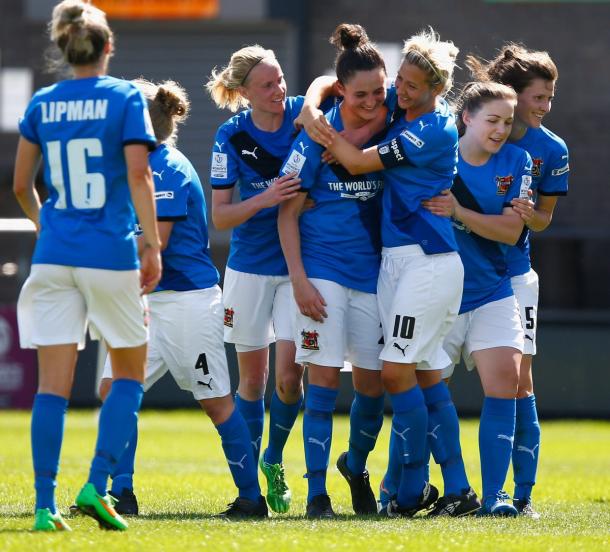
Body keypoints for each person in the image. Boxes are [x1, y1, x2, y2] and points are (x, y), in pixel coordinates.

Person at [310, 28, 475, 518]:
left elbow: (358, 163)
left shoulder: (434, 128)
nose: (398, 92)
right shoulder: (402, 113)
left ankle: (409, 492)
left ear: (436, 90)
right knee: (424, 376)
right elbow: (329, 82)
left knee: (396, 371)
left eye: (411, 86)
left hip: (427, 263)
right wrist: (316, 103)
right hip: (397, 262)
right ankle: (459, 489)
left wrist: (325, 134)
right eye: (398, 81)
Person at [14, 0, 161, 531]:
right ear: (108, 47)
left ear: (64, 47)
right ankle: (98, 486)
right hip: (108, 253)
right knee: (129, 374)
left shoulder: (43, 102)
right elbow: (140, 175)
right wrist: (152, 245)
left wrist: (43, 223)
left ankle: (43, 505)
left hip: (53, 255)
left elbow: (20, 186)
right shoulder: (123, 97)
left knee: (50, 388)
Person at [97, 79, 267, 519]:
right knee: (112, 390)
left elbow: (158, 243)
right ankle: (122, 494)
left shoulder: (167, 167)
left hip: (186, 303)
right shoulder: (130, 166)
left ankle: (252, 498)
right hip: (144, 300)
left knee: (216, 404)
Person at [277, 23, 387, 519]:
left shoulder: (396, 125)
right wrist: (299, 279)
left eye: (379, 92)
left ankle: (356, 467)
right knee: (321, 379)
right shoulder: (318, 131)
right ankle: (316, 494)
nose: (371, 101)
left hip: (375, 274)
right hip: (322, 270)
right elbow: (287, 212)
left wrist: (315, 95)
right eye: (361, 93)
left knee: (373, 384)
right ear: (342, 90)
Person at [466, 44, 569, 518]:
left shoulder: (551, 150)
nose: (543, 106)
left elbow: (545, 220)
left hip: (512, 275)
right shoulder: (481, 132)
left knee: (521, 382)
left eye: (550, 97)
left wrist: (530, 217)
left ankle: (519, 494)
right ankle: (419, 489)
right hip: (459, 274)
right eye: (538, 96)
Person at [423, 81, 532, 516]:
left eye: (508, 121)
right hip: (437, 295)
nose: (502, 129)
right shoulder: (436, 156)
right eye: (492, 120)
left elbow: (511, 231)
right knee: (426, 391)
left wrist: (460, 213)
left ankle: (496, 496)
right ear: (465, 118)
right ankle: (406, 488)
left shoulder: (518, 161)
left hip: (492, 289)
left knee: (505, 380)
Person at [205, 46, 306, 513]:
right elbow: (221, 218)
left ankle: (273, 460)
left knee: (289, 378)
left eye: (281, 79)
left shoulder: (304, 115)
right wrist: (266, 200)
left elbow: (331, 94)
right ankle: (248, 487)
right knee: (253, 381)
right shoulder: (230, 136)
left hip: (298, 267)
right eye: (267, 84)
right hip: (248, 267)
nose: (279, 90)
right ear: (245, 92)